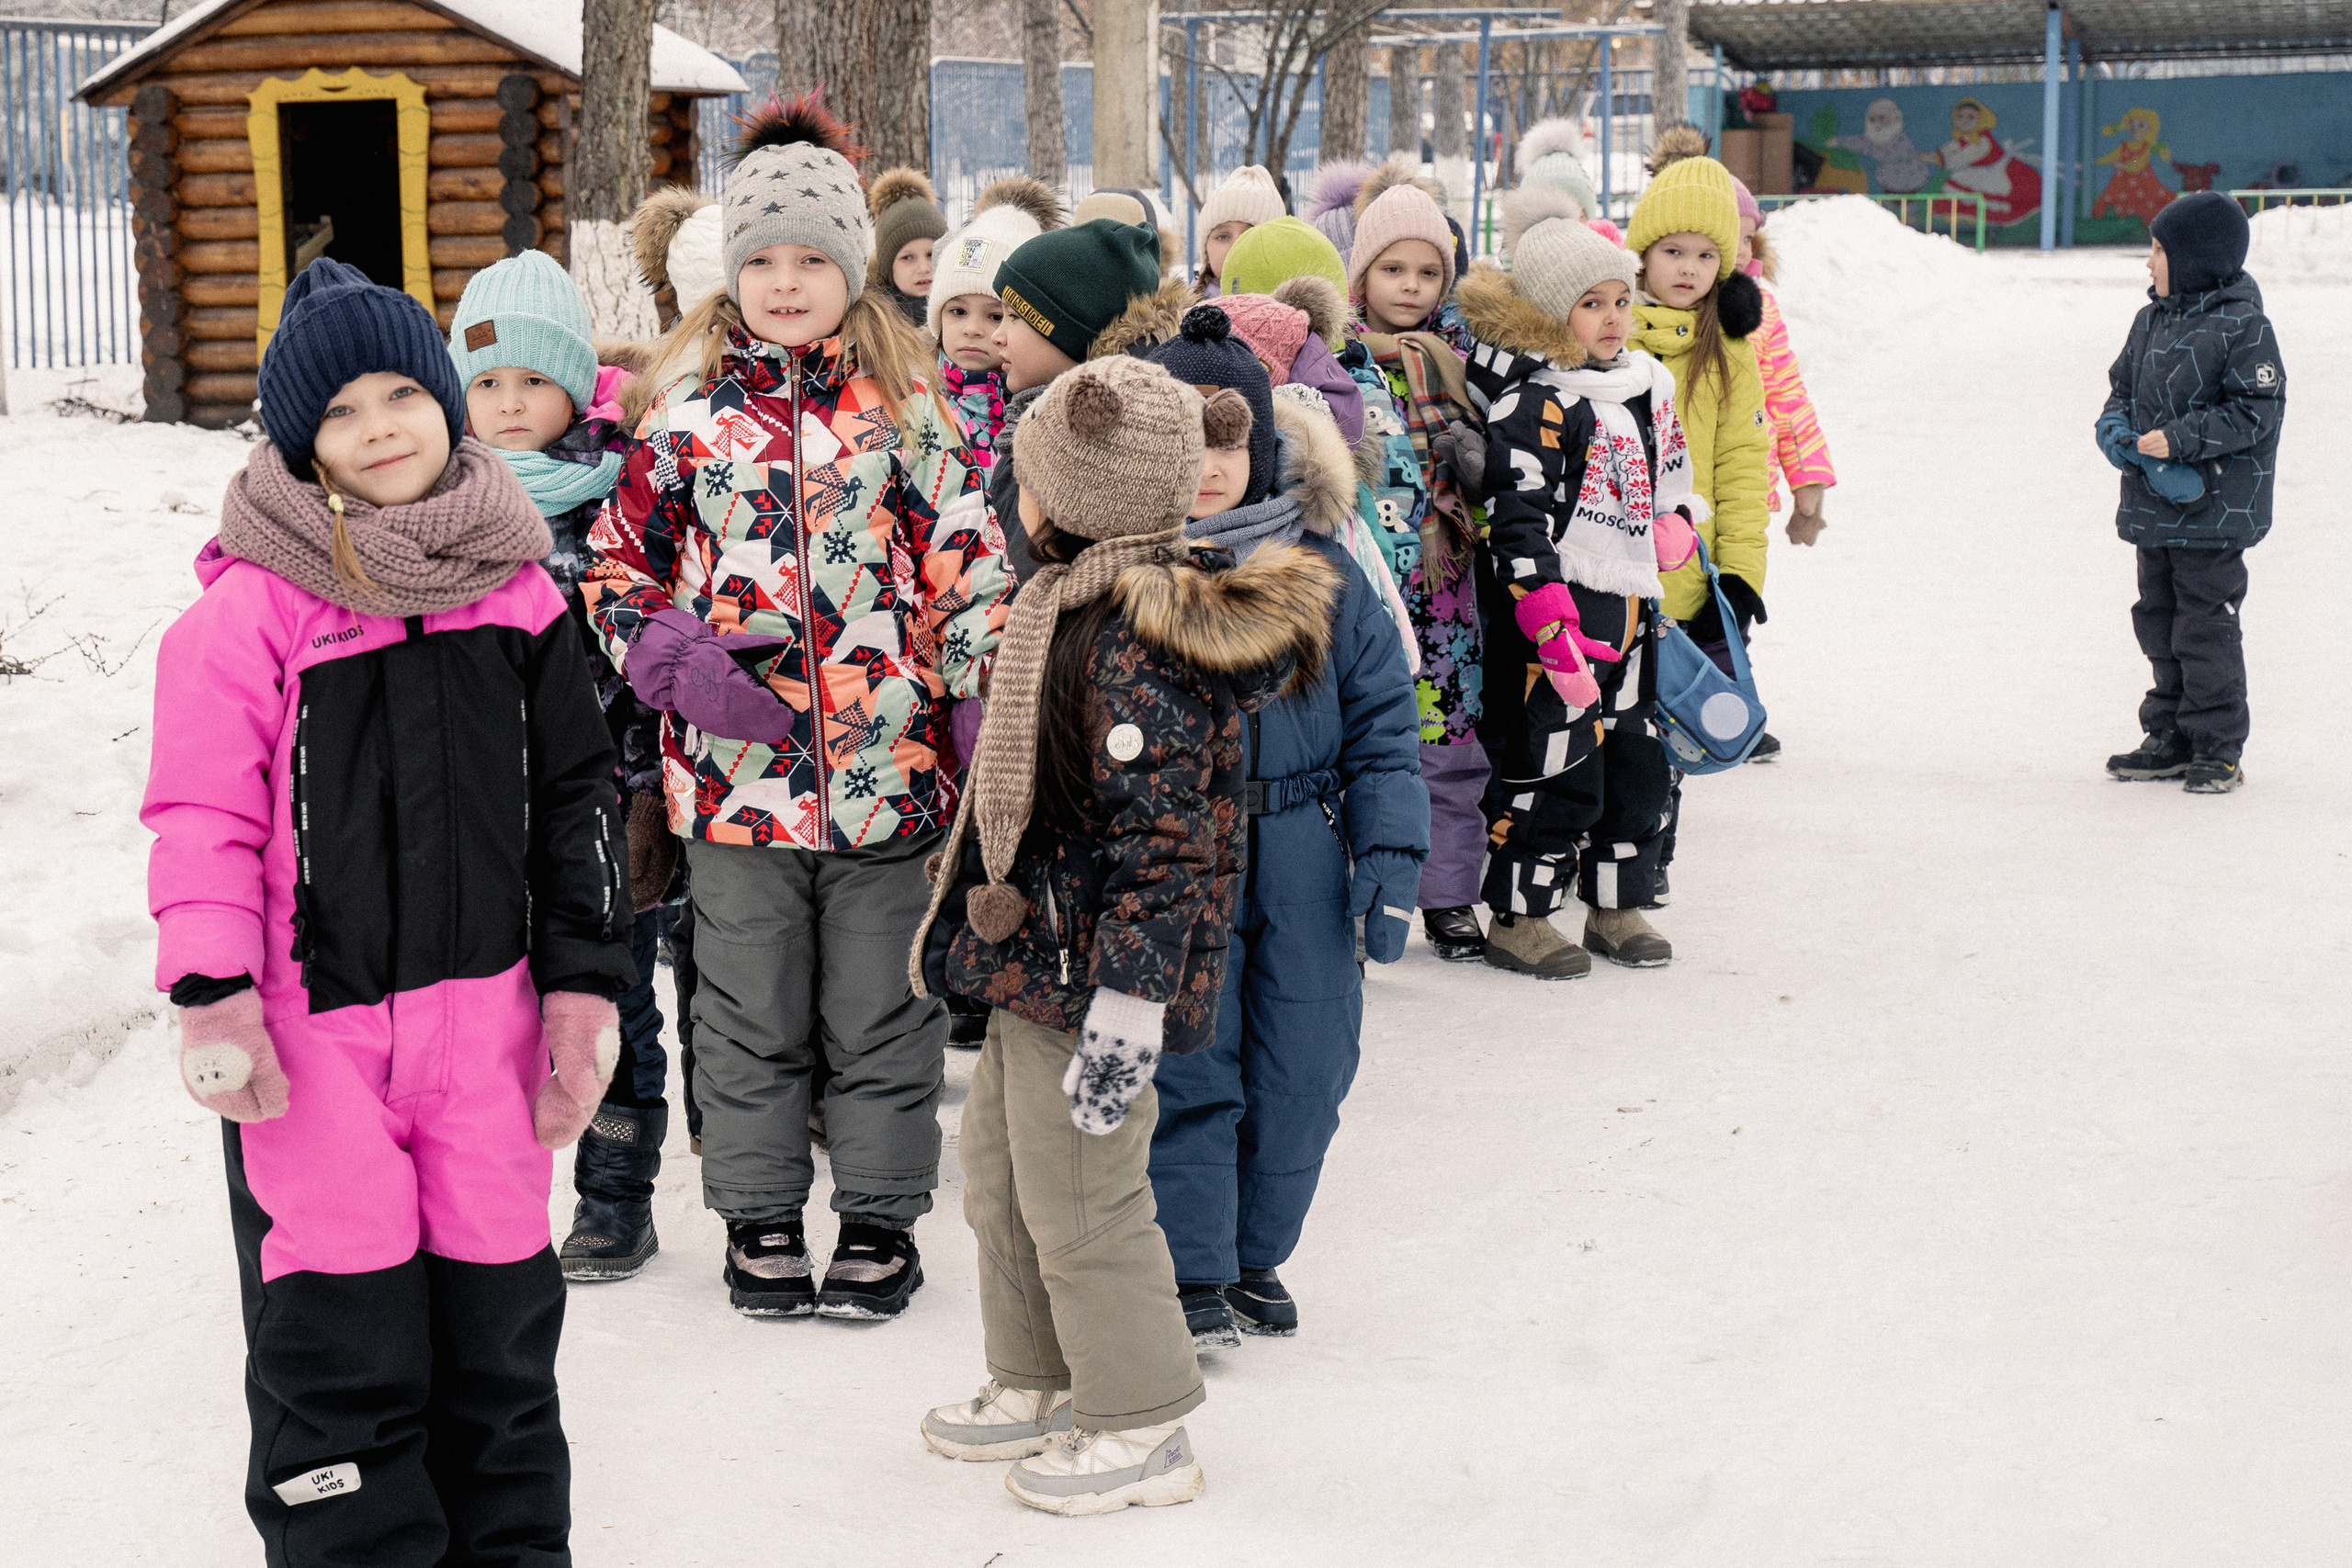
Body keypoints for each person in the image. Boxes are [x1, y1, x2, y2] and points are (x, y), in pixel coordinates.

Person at [142, 255, 634, 1563]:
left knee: (501, 1358)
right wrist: (212, 991)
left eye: (402, 392)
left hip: (487, 1035)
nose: (379, 427)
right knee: (342, 1360)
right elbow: (202, 814)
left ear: (446, 403)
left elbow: (582, 792)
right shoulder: (248, 611)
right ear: (301, 441)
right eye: (342, 409)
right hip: (316, 1053)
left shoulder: (520, 589)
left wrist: (584, 986)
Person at [583, 90, 1010, 1323]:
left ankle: (879, 1219)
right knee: (747, 1015)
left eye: (810, 258)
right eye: (761, 258)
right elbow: (615, 570)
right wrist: (677, 663)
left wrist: (974, 711)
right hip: (733, 786)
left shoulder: (912, 411)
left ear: (851, 271)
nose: (784, 280)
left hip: (892, 784)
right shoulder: (681, 420)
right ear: (731, 273)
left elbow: (971, 566)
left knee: (886, 1012)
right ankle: (759, 1215)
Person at [910, 354, 1340, 1514]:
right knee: (1004, 1180)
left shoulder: (1133, 643)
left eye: (1029, 477)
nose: (1017, 496)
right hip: (1034, 962)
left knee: (1089, 1196)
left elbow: (1170, 846)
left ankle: (1143, 1420)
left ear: (1067, 500)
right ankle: (1042, 1376)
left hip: (1098, 985)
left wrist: (1130, 1006)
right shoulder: (1068, 610)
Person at [1141, 306, 1425, 1345]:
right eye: (1188, 438)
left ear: (1262, 445)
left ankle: (1260, 1249)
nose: (1210, 466)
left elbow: (1386, 732)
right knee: (1190, 1062)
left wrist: (1390, 857)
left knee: (1304, 1067)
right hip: (1175, 860)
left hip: (1302, 850)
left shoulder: (1328, 575)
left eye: (1230, 437)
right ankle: (1197, 1269)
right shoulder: (1128, 579)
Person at [448, 248, 683, 1282]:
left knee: (612, 1007)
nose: (508, 405)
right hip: (479, 810)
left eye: (532, 381)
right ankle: (490, 1203)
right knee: (492, 1012)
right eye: (485, 383)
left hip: (603, 807)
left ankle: (615, 1199)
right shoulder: (435, 504)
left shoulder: (619, 495)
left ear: (572, 383)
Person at [1461, 193, 1701, 978]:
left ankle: (1615, 902)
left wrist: (1676, 522)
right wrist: (1546, 613)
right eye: (1589, 305)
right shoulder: (1539, 402)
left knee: (1636, 761)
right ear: (1547, 314)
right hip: (1560, 621)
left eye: (1620, 301)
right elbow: (1516, 515)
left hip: (1632, 610)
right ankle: (1520, 916)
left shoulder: (1643, 386)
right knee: (1556, 764)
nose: (1611, 320)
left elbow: (1670, 476)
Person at [1345, 175, 1494, 962]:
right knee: (1367, 745)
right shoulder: (1337, 360)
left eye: (1428, 272)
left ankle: (1449, 894)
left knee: (1448, 740)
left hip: (1446, 595)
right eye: (1394, 269)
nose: (1410, 287)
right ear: (1361, 275)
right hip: (1369, 591)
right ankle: (1369, 892)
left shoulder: (1461, 360)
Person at [2099, 190, 2282, 795]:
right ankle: (2170, 734)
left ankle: (2217, 744)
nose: (2148, 262)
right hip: (2155, 508)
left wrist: (2177, 441)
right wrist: (2116, 428)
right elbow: (2122, 387)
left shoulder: (2244, 327)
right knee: (2158, 621)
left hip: (2214, 510)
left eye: (2158, 250)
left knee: (2205, 626)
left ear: (2197, 258)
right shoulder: (2149, 321)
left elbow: (2257, 412)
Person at [1630, 130, 1770, 916]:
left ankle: (1649, 857)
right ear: (1641, 254)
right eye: (1671, 250)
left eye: (1704, 256)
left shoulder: (1730, 351)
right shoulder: (1606, 334)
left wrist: (1743, 573)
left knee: (1665, 740)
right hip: (1600, 579)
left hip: (1685, 586)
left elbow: (1744, 469)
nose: (1686, 269)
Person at [987, 216, 1194, 581]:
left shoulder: (1091, 454)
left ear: (1072, 331)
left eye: (1015, 317)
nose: (996, 336)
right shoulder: (1029, 421)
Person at [1733, 176, 1833, 764]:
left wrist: (1808, 486)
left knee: (1736, 602)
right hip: (1679, 493)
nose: (1743, 251)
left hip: (1748, 489)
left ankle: (1730, 711)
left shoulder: (1761, 308)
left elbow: (1789, 401)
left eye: (1752, 239)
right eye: (1733, 237)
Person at [926, 175, 1061, 479]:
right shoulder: (916, 405)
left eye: (995, 316)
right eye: (958, 311)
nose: (973, 329)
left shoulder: (1050, 410)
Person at [867, 166, 947, 328]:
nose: (924, 268)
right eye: (908, 257)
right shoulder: (873, 327)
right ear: (888, 269)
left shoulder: (967, 315)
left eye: (931, 254)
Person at [1193, 163, 1285, 297]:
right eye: (1223, 237)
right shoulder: (1182, 314)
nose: (1236, 246)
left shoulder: (1298, 314)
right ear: (1206, 251)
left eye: (1249, 235)